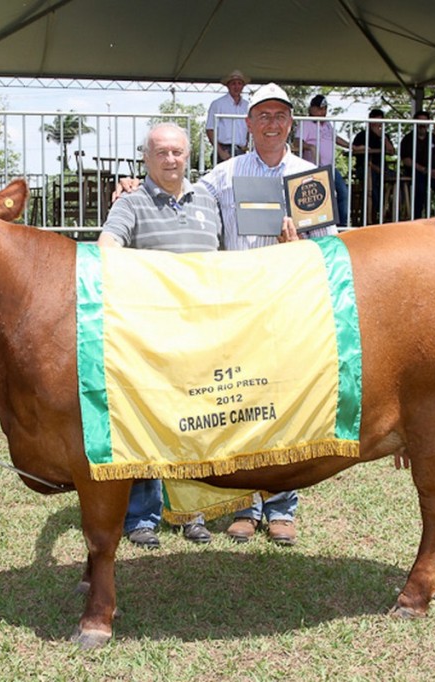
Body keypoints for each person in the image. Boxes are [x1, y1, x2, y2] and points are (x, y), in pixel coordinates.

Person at [200, 83, 337, 544]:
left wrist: (302, 247)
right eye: (264, 115)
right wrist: (139, 189)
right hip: (238, 306)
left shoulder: (308, 175)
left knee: (286, 407)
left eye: (281, 115)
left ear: (291, 123)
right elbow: (186, 205)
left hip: (289, 307)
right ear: (249, 123)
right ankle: (244, 505)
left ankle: (281, 506)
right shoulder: (223, 174)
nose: (273, 123)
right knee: (240, 403)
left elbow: (329, 244)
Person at [99, 123, 221, 548]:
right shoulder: (131, 203)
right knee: (148, 424)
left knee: (196, 423)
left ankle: (191, 512)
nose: (170, 160)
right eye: (161, 153)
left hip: (202, 335)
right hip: (150, 337)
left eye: (177, 152)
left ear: (188, 155)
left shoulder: (207, 198)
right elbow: (106, 247)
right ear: (146, 159)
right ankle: (143, 516)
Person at [293, 94, 350, 226]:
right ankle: (319, 226)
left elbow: (335, 138)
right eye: (319, 109)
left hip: (330, 166)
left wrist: (351, 146)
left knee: (343, 193)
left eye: (324, 109)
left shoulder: (327, 124)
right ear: (312, 109)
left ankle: (342, 226)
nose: (322, 112)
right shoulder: (305, 123)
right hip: (313, 167)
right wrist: (310, 147)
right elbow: (296, 142)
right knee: (319, 199)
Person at [399, 110, 435, 220]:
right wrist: (425, 170)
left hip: (434, 173)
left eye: (425, 122)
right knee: (420, 190)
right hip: (416, 172)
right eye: (419, 122)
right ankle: (417, 220)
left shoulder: (433, 138)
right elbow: (406, 160)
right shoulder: (408, 139)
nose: (422, 125)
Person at [350, 108, 395, 225]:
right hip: (365, 168)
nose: (378, 125)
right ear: (370, 122)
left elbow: (391, 151)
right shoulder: (362, 135)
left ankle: (393, 212)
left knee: (400, 179)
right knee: (372, 181)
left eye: (380, 123)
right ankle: (372, 216)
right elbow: (354, 150)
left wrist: (383, 137)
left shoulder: (384, 136)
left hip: (382, 169)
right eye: (375, 122)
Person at [205, 69, 250, 165]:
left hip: (241, 151)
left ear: (243, 86)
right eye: (233, 83)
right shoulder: (218, 104)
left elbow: (250, 128)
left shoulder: (248, 106)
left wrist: (246, 146)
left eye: (239, 83)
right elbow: (210, 129)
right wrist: (220, 152)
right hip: (224, 150)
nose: (237, 86)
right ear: (228, 85)